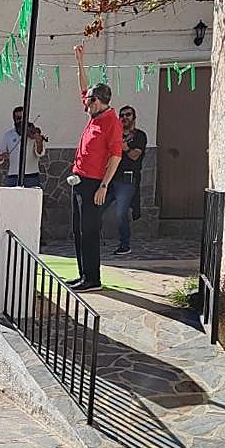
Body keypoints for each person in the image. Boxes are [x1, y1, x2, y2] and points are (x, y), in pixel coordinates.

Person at [69, 44, 123, 293]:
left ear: (99, 102)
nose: (85, 102)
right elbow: (83, 85)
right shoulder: (94, 115)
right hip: (79, 180)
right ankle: (82, 274)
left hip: (93, 183)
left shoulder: (111, 121)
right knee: (78, 230)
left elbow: (115, 156)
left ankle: (93, 279)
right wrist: (80, 61)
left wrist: (104, 185)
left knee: (90, 231)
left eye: (89, 100)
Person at [102, 105, 147, 256]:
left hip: (127, 179)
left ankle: (125, 244)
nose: (124, 118)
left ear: (134, 117)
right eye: (121, 116)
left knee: (121, 212)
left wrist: (125, 147)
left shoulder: (140, 136)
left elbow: (135, 155)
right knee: (96, 207)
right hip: (110, 178)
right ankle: (94, 238)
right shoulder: (115, 134)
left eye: (128, 115)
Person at [0, 106, 46, 188]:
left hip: (31, 175)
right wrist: (2, 156)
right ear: (14, 119)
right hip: (13, 175)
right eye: (18, 118)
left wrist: (39, 142)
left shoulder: (33, 132)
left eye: (23, 118)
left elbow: (40, 153)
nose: (21, 121)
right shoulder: (8, 135)